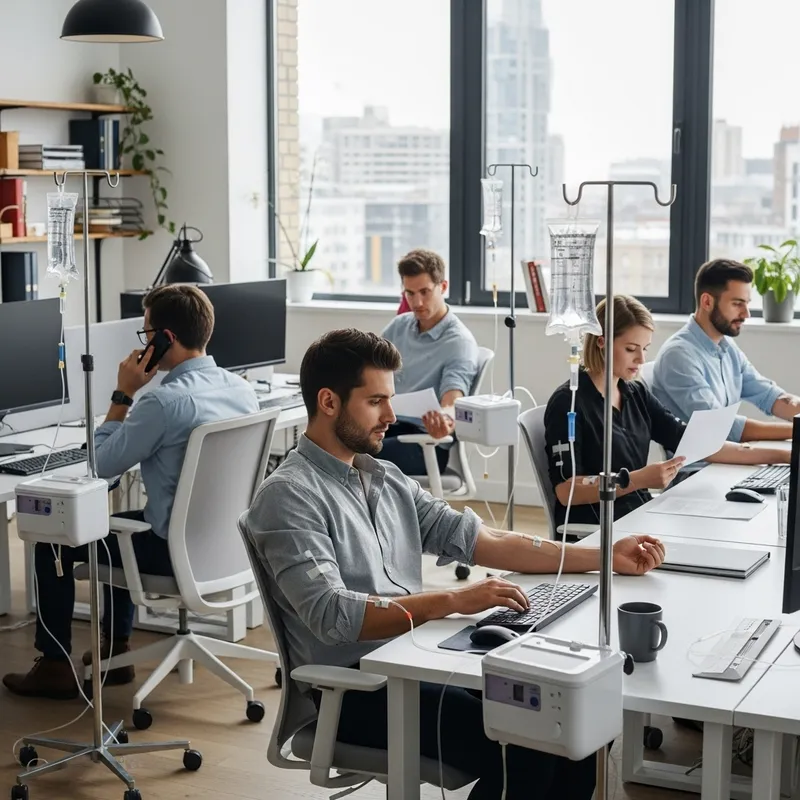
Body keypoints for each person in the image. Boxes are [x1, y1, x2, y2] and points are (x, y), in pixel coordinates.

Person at [242, 327, 668, 800]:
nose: (391, 415)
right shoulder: (289, 497)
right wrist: (454, 600)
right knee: (530, 746)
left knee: (571, 723)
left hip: (416, 659)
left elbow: (485, 539)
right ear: (328, 402)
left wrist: (603, 557)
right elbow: (333, 615)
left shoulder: (382, 475)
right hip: (358, 690)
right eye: (376, 401)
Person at [3, 284, 259, 700]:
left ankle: (55, 666)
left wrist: (123, 395)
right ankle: (114, 653)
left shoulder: (163, 403)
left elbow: (100, 467)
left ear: (166, 339)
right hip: (223, 547)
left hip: (173, 552)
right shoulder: (241, 389)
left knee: (52, 542)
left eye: (146, 334)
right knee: (113, 527)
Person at [544, 295, 790, 530]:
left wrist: (786, 457)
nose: (641, 359)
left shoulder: (635, 392)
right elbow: (567, 491)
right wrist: (637, 479)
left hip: (639, 514)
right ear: (602, 342)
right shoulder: (569, 403)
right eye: (631, 349)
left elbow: (701, 443)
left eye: (645, 348)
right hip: (601, 528)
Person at [653, 258, 800, 442]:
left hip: (732, 460)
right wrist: (795, 431)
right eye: (737, 304)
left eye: (747, 303)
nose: (746, 314)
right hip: (696, 468)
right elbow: (720, 426)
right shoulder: (678, 356)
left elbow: (769, 395)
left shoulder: (727, 347)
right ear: (707, 302)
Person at [381, 248, 479, 475]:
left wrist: (445, 418)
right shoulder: (399, 327)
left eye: (424, 292)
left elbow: (453, 400)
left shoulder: (458, 342)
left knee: (351, 455)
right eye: (410, 293)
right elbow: (367, 371)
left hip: (426, 442)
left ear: (442, 287)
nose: (417, 301)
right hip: (387, 427)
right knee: (313, 449)